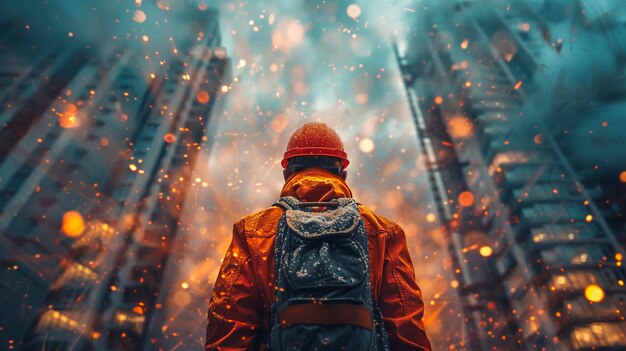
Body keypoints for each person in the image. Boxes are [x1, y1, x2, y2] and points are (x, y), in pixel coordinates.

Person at [205, 122, 432, 351]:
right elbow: (407, 332)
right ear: (343, 173)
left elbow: (229, 330)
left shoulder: (253, 232)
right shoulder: (383, 232)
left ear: (287, 173)